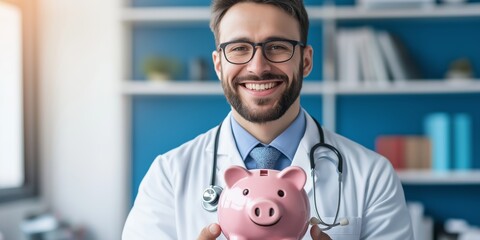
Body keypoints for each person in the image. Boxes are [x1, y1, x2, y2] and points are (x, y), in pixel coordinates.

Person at [122, 0, 414, 239]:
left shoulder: (372, 176)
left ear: (306, 61)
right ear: (218, 65)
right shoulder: (168, 176)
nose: (258, 67)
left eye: (277, 47)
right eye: (239, 48)